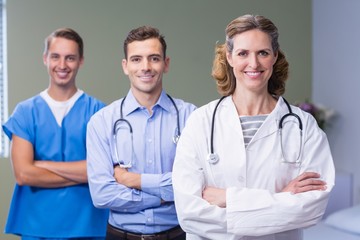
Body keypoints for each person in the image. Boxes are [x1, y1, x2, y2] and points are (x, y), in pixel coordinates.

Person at [172, 14, 335, 240]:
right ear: (229, 57)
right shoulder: (201, 121)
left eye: (263, 53)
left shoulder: (303, 126)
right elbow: (189, 214)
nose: (254, 63)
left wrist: (229, 199)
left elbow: (311, 210)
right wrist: (281, 199)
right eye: (243, 53)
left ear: (274, 56)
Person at [86, 26, 196, 240]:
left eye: (154, 58)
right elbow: (102, 195)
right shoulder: (102, 122)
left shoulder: (191, 117)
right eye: (136, 59)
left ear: (166, 64)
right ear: (125, 66)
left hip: (179, 235)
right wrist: (164, 196)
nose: (145, 67)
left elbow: (196, 185)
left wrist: (132, 180)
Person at [2, 28, 108, 239]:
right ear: (45, 59)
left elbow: (101, 172)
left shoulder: (98, 112)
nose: (62, 65)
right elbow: (23, 174)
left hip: (86, 225)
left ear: (81, 61)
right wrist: (83, 172)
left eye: (70, 58)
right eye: (55, 57)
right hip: (36, 226)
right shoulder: (25, 112)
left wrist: (40, 165)